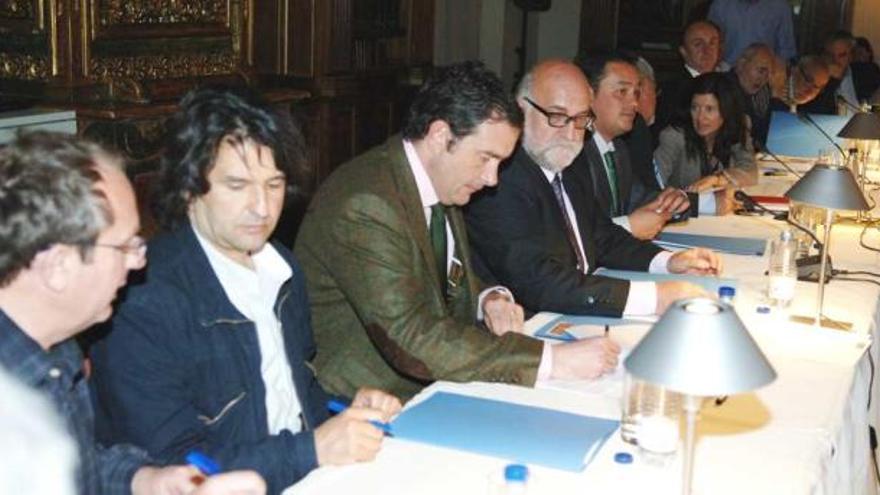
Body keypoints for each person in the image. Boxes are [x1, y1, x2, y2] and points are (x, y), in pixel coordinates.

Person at [90, 88, 402, 495]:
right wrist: (311, 450)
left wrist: (346, 407)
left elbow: (293, 393)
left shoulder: (282, 268)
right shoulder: (142, 298)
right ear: (190, 187)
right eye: (237, 185)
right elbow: (170, 465)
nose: (262, 207)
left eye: (274, 184)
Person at [295, 61, 630, 401]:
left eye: (499, 162)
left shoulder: (440, 180)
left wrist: (487, 298)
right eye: (485, 158)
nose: (492, 178)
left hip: (438, 383)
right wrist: (551, 360)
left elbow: (437, 277)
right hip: (369, 400)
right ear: (441, 136)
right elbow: (411, 337)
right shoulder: (367, 204)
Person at [0, 131, 265, 495]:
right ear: (57, 265)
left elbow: (81, 467)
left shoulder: (56, 345)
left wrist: (148, 481)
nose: (140, 262)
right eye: (126, 246)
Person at [464, 59, 718, 319]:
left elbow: (601, 235)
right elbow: (538, 280)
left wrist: (667, 262)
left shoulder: (570, 162)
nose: (571, 135)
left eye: (581, 119)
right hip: (532, 324)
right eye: (558, 117)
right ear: (520, 110)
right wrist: (655, 298)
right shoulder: (499, 179)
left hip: (581, 306)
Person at [577, 52, 690, 240]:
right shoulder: (575, 152)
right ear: (588, 95)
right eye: (622, 92)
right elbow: (576, 231)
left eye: (636, 93)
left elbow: (639, 200)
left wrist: (675, 202)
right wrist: (628, 225)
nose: (634, 103)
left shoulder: (619, 149)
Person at [655, 72, 757, 215]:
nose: (700, 117)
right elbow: (653, 188)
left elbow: (750, 171)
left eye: (709, 109)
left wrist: (718, 179)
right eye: (695, 108)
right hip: (682, 219)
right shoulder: (674, 137)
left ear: (726, 110)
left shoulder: (738, 126)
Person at [656, 19, 727, 132]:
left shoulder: (728, 84)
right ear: (684, 51)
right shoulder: (672, 90)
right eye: (698, 44)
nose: (707, 50)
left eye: (712, 43)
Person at [708, 0, 796, 65]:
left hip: (763, 75)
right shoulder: (720, 5)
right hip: (726, 71)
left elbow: (785, 52)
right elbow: (710, 44)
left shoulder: (780, 7)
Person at [729, 43, 775, 149]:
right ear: (741, 64)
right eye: (761, 70)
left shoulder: (763, 93)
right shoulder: (722, 89)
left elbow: (764, 135)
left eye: (768, 73)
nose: (763, 78)